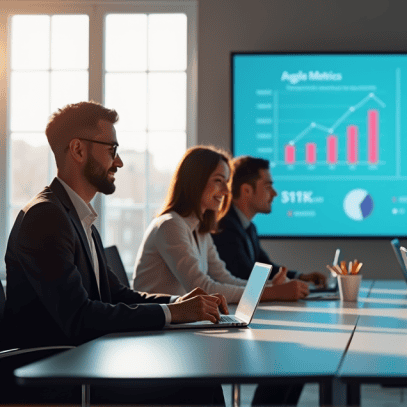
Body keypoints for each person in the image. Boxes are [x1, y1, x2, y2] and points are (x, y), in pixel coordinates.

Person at [1, 101, 227, 404]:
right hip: (59, 374)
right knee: (198, 384)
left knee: (198, 377)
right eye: (111, 150)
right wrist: (175, 313)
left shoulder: (78, 219)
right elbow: (79, 317)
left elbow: (117, 294)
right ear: (78, 150)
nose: (119, 161)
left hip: (85, 361)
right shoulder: (46, 217)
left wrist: (180, 302)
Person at [133, 146, 310, 303]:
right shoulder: (170, 225)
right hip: (157, 330)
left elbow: (225, 279)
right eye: (219, 181)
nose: (226, 191)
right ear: (196, 181)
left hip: (178, 326)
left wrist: (271, 286)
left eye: (226, 182)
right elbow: (202, 288)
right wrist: (273, 292)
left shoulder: (200, 230)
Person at [212, 156, 327, 290]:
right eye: (268, 187)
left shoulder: (248, 227)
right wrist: (283, 288)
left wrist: (299, 276)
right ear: (246, 190)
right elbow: (246, 276)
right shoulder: (223, 228)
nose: (274, 193)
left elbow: (264, 267)